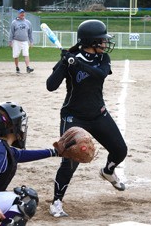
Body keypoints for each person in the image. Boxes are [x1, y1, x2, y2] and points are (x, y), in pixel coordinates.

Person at [46, 19, 128, 218]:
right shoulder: (71, 58)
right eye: (102, 40)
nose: (105, 43)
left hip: (97, 114)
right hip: (73, 117)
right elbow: (50, 85)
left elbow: (99, 75)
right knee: (70, 160)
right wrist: (64, 63)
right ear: (91, 42)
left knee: (120, 150)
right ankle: (56, 202)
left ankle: (108, 171)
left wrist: (78, 62)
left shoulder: (103, 59)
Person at [9, 9, 34, 74]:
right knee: (16, 55)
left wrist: (31, 41)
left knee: (26, 54)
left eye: (23, 13)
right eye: (21, 13)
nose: (22, 14)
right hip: (16, 41)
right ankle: (17, 67)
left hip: (25, 41)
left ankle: (28, 67)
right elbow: (11, 32)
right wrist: (10, 41)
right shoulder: (14, 22)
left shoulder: (28, 22)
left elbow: (30, 33)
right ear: (18, 14)